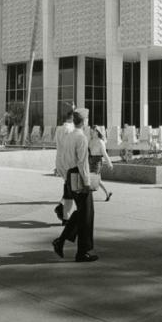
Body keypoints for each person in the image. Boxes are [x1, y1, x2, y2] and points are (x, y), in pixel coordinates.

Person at [52, 111, 98, 262]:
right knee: (87, 214)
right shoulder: (81, 137)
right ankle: (82, 251)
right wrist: (86, 182)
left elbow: (64, 157)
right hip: (79, 176)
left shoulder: (69, 136)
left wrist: (66, 176)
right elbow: (82, 162)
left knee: (81, 213)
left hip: (71, 175)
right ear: (84, 121)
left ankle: (61, 240)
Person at [53, 109, 76, 223]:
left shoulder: (59, 129)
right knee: (71, 188)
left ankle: (62, 210)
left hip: (59, 160)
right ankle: (64, 213)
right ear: (72, 118)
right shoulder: (70, 129)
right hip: (68, 162)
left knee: (68, 185)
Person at [88, 126, 114, 201]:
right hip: (90, 160)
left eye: (92, 131)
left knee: (93, 178)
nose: (91, 132)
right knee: (97, 180)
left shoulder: (100, 142)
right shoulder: (91, 140)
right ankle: (107, 193)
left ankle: (87, 196)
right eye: (91, 131)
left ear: (96, 132)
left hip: (97, 161)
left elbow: (104, 153)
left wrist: (109, 163)